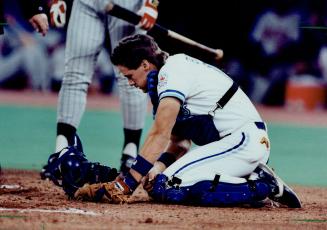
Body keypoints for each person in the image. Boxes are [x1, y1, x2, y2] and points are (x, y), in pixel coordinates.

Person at [73, 34, 302, 208]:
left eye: (130, 76)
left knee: (168, 186)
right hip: (235, 147)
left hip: (243, 142)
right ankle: (252, 182)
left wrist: (128, 183)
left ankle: (262, 186)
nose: (130, 82)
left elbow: (159, 133)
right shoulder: (169, 77)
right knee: (160, 183)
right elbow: (180, 142)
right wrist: (157, 167)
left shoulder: (172, 72)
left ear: (144, 65)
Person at [40, 0, 160, 182]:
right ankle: (61, 151)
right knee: (75, 73)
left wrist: (151, 3)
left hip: (128, 4)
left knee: (131, 74)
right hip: (88, 2)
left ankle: (130, 152)